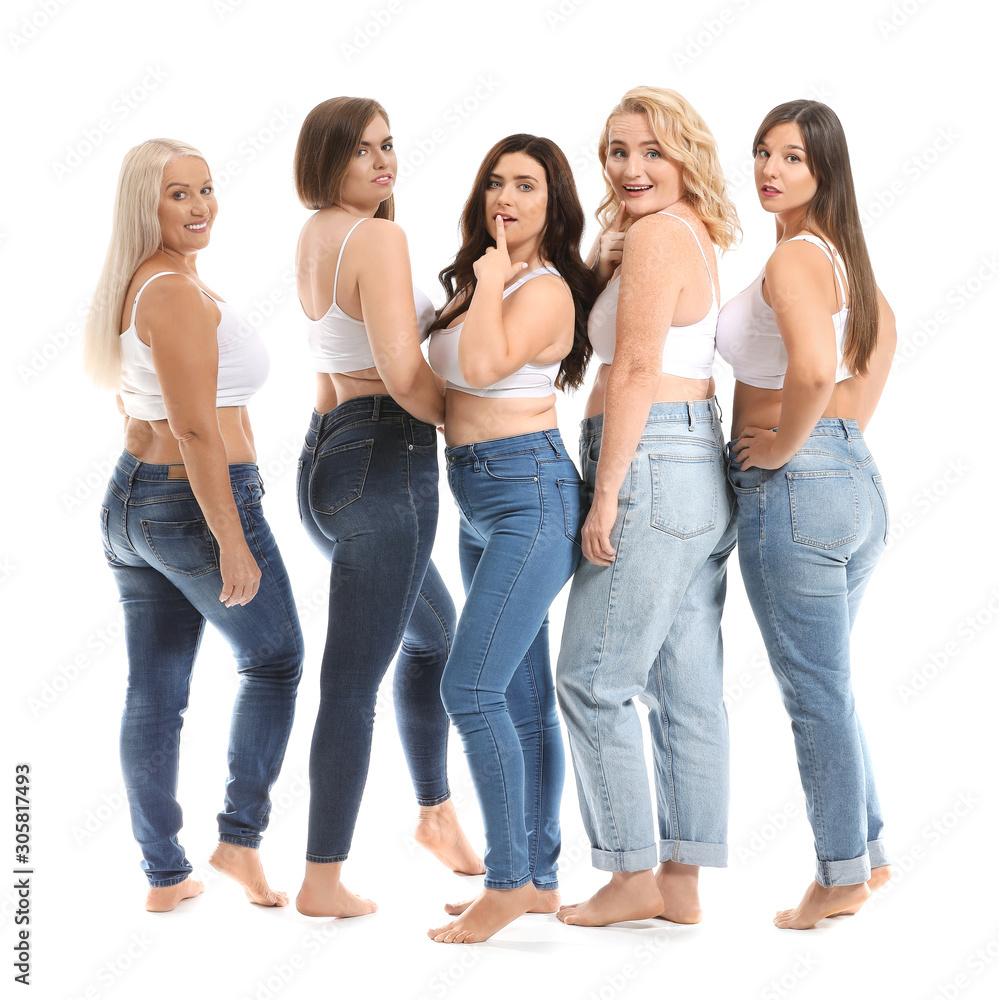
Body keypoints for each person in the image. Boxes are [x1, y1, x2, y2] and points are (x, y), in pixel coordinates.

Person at [84, 138, 303, 912]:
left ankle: (164, 875)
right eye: (178, 194)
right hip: (193, 503)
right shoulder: (171, 293)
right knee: (275, 659)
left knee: (155, 690)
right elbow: (198, 429)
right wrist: (231, 540)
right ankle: (239, 841)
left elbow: (132, 400)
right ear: (145, 205)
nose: (200, 205)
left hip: (132, 500)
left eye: (206, 189)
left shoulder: (142, 284)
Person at [292, 97, 483, 919]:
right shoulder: (377, 236)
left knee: (431, 637)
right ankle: (321, 875)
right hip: (384, 459)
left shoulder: (318, 235)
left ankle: (435, 814)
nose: (383, 161)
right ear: (325, 159)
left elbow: (355, 352)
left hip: (326, 455)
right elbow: (404, 376)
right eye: (362, 149)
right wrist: (476, 420)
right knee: (350, 682)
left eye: (389, 145)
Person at [555, 86, 739, 928]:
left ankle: (630, 874)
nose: (631, 168)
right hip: (696, 461)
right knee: (684, 687)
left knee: (591, 680)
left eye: (651, 151)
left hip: (650, 463)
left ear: (685, 155)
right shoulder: (682, 233)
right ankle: (681, 880)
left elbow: (630, 371)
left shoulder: (661, 237)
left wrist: (606, 494)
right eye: (617, 151)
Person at [716, 99, 896, 929]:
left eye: (790, 157)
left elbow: (817, 373)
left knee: (812, 693)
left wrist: (787, 449)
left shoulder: (794, 261)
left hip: (796, 495)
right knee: (832, 685)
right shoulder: (847, 264)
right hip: (855, 489)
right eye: (762, 153)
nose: (768, 170)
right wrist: (825, 445)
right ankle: (869, 849)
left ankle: (838, 877)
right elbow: (866, 367)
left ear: (824, 168)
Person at [424, 134, 594, 944]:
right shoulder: (478, 285)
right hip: (476, 496)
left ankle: (506, 879)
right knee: (519, 699)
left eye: (526, 185)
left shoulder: (544, 290)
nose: (506, 197)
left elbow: (485, 366)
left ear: (553, 203)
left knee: (470, 689)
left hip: (529, 493)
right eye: (495, 181)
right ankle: (535, 879)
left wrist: (488, 279)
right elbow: (438, 380)